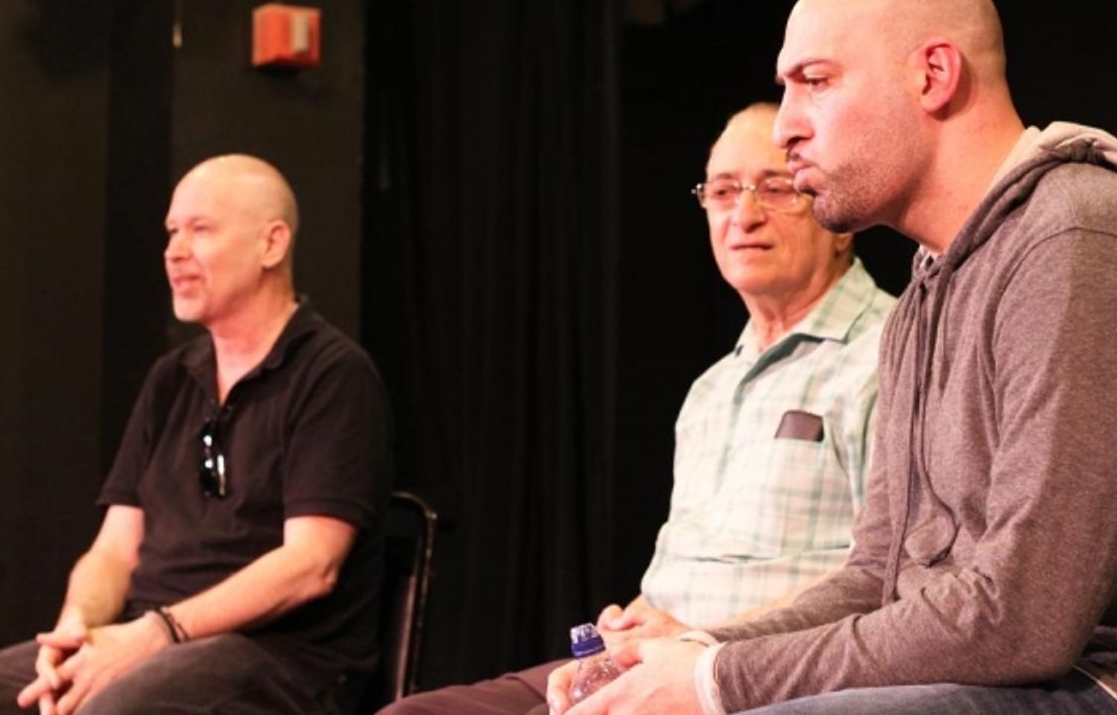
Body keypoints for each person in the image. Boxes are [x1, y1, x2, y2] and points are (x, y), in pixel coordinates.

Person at [547, 0, 1117, 715]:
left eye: (814, 82)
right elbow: (873, 576)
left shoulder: (1072, 231)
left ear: (933, 75)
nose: (786, 128)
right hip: (975, 673)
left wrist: (719, 684)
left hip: (1077, 682)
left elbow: (1024, 619)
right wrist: (698, 652)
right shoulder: (925, 292)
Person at [383, 102, 895, 714]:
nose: (744, 215)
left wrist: (700, 641)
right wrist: (635, 628)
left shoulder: (890, 354)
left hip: (759, 671)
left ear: (839, 224)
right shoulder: (710, 389)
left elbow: (887, 576)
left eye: (776, 188)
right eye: (724, 191)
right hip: (653, 656)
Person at [0, 155, 391, 715]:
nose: (174, 251)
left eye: (200, 229)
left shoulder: (333, 375)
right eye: (171, 231)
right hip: (147, 639)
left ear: (272, 244)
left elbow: (311, 565)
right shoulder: (172, 379)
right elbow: (114, 551)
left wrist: (158, 633)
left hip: (278, 660)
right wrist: (77, 631)